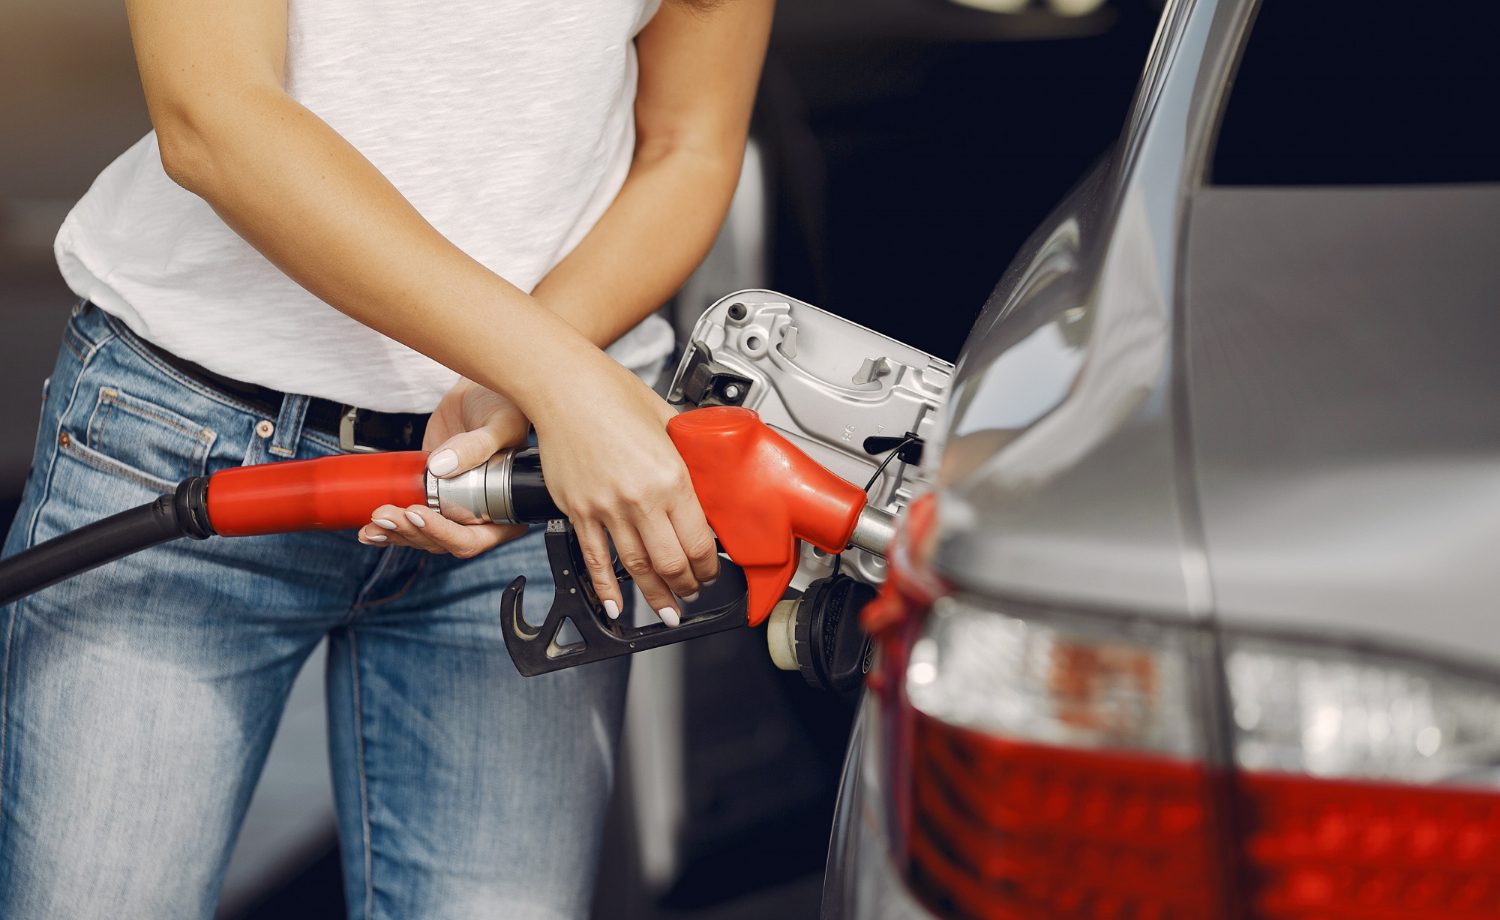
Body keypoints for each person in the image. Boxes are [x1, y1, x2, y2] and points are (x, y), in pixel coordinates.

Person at [0, 0, 773, 916]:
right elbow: (213, 119)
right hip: (186, 441)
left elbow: (687, 144)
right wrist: (559, 377)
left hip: (529, 483)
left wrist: (533, 386)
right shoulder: (561, 384)